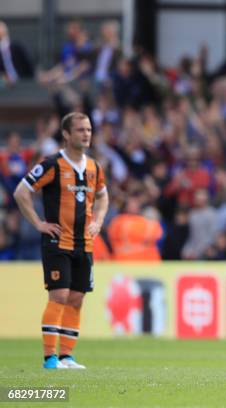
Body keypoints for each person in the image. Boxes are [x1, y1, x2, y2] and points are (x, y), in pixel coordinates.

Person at [13, 112, 109, 369]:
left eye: (88, 129)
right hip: (58, 242)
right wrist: (39, 224)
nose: (86, 134)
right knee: (59, 296)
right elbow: (22, 191)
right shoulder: (52, 164)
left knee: (77, 299)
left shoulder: (94, 167)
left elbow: (103, 197)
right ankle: (50, 358)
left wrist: (98, 222)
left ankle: (67, 357)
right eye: (80, 130)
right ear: (66, 134)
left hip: (84, 244)